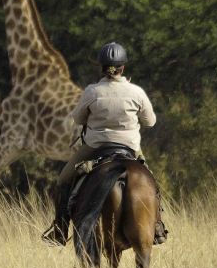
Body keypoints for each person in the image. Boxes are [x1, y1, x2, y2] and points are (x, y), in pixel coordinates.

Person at [42, 42, 167, 246]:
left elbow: (78, 119)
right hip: (130, 148)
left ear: (101, 67)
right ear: (123, 67)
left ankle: (60, 229)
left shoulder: (92, 92)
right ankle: (158, 227)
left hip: (95, 148)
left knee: (63, 181)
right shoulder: (136, 92)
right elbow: (150, 122)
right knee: (151, 182)